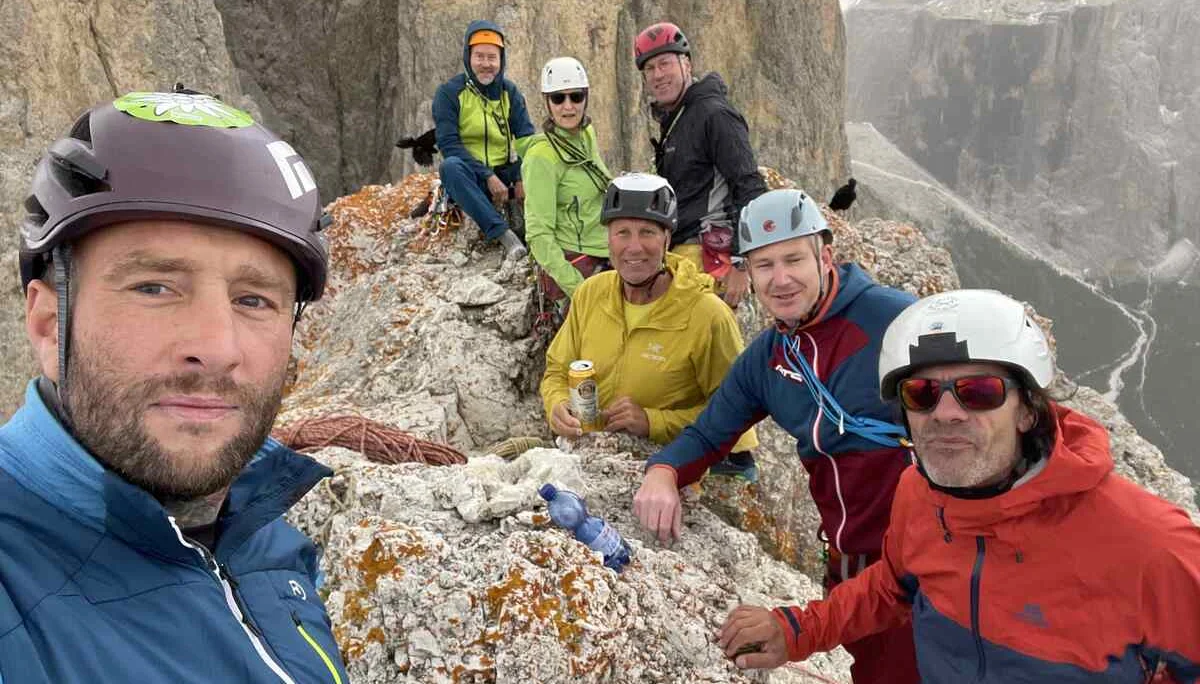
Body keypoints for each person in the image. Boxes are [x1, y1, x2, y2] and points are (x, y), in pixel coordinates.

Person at [0, 91, 348, 682]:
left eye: (253, 299)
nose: (216, 346)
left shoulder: (268, 548)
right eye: (155, 287)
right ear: (48, 320)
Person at [717, 289, 1200, 683]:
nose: (946, 413)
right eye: (920, 393)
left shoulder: (1149, 544)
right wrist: (799, 630)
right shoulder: (918, 494)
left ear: (1029, 410)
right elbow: (893, 587)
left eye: (979, 392)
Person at [633, 189, 921, 684]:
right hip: (850, 564)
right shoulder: (769, 356)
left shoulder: (894, 321)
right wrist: (662, 472)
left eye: (793, 259)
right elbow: (709, 433)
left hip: (925, 558)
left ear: (825, 257)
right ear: (747, 272)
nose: (781, 279)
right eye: (764, 265)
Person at [541, 173, 758, 468]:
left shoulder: (707, 316)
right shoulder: (591, 294)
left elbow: (737, 413)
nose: (633, 247)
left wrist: (653, 421)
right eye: (622, 233)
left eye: (647, 232)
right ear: (608, 239)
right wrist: (556, 403)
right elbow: (557, 370)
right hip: (592, 463)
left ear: (667, 238)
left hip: (674, 470)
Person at [634, 21, 767, 308]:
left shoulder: (714, 114)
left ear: (687, 64)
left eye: (665, 63)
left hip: (708, 255)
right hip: (682, 251)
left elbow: (750, 187)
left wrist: (741, 262)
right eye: (650, 69)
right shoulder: (679, 117)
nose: (658, 75)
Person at [521, 57, 613, 322]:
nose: (568, 106)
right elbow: (539, 233)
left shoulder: (586, 135)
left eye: (576, 96)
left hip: (608, 251)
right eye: (558, 98)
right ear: (547, 103)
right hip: (576, 262)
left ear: (586, 97)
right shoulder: (542, 157)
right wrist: (578, 288)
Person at [434, 20, 536, 259]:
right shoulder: (449, 94)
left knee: (541, 160)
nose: (486, 64)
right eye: (479, 57)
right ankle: (504, 234)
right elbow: (449, 145)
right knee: (450, 168)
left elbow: (526, 138)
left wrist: (522, 175)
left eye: (492, 58)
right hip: (473, 173)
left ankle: (533, 224)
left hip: (504, 171)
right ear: (468, 57)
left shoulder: (509, 93)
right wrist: (486, 175)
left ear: (501, 61)